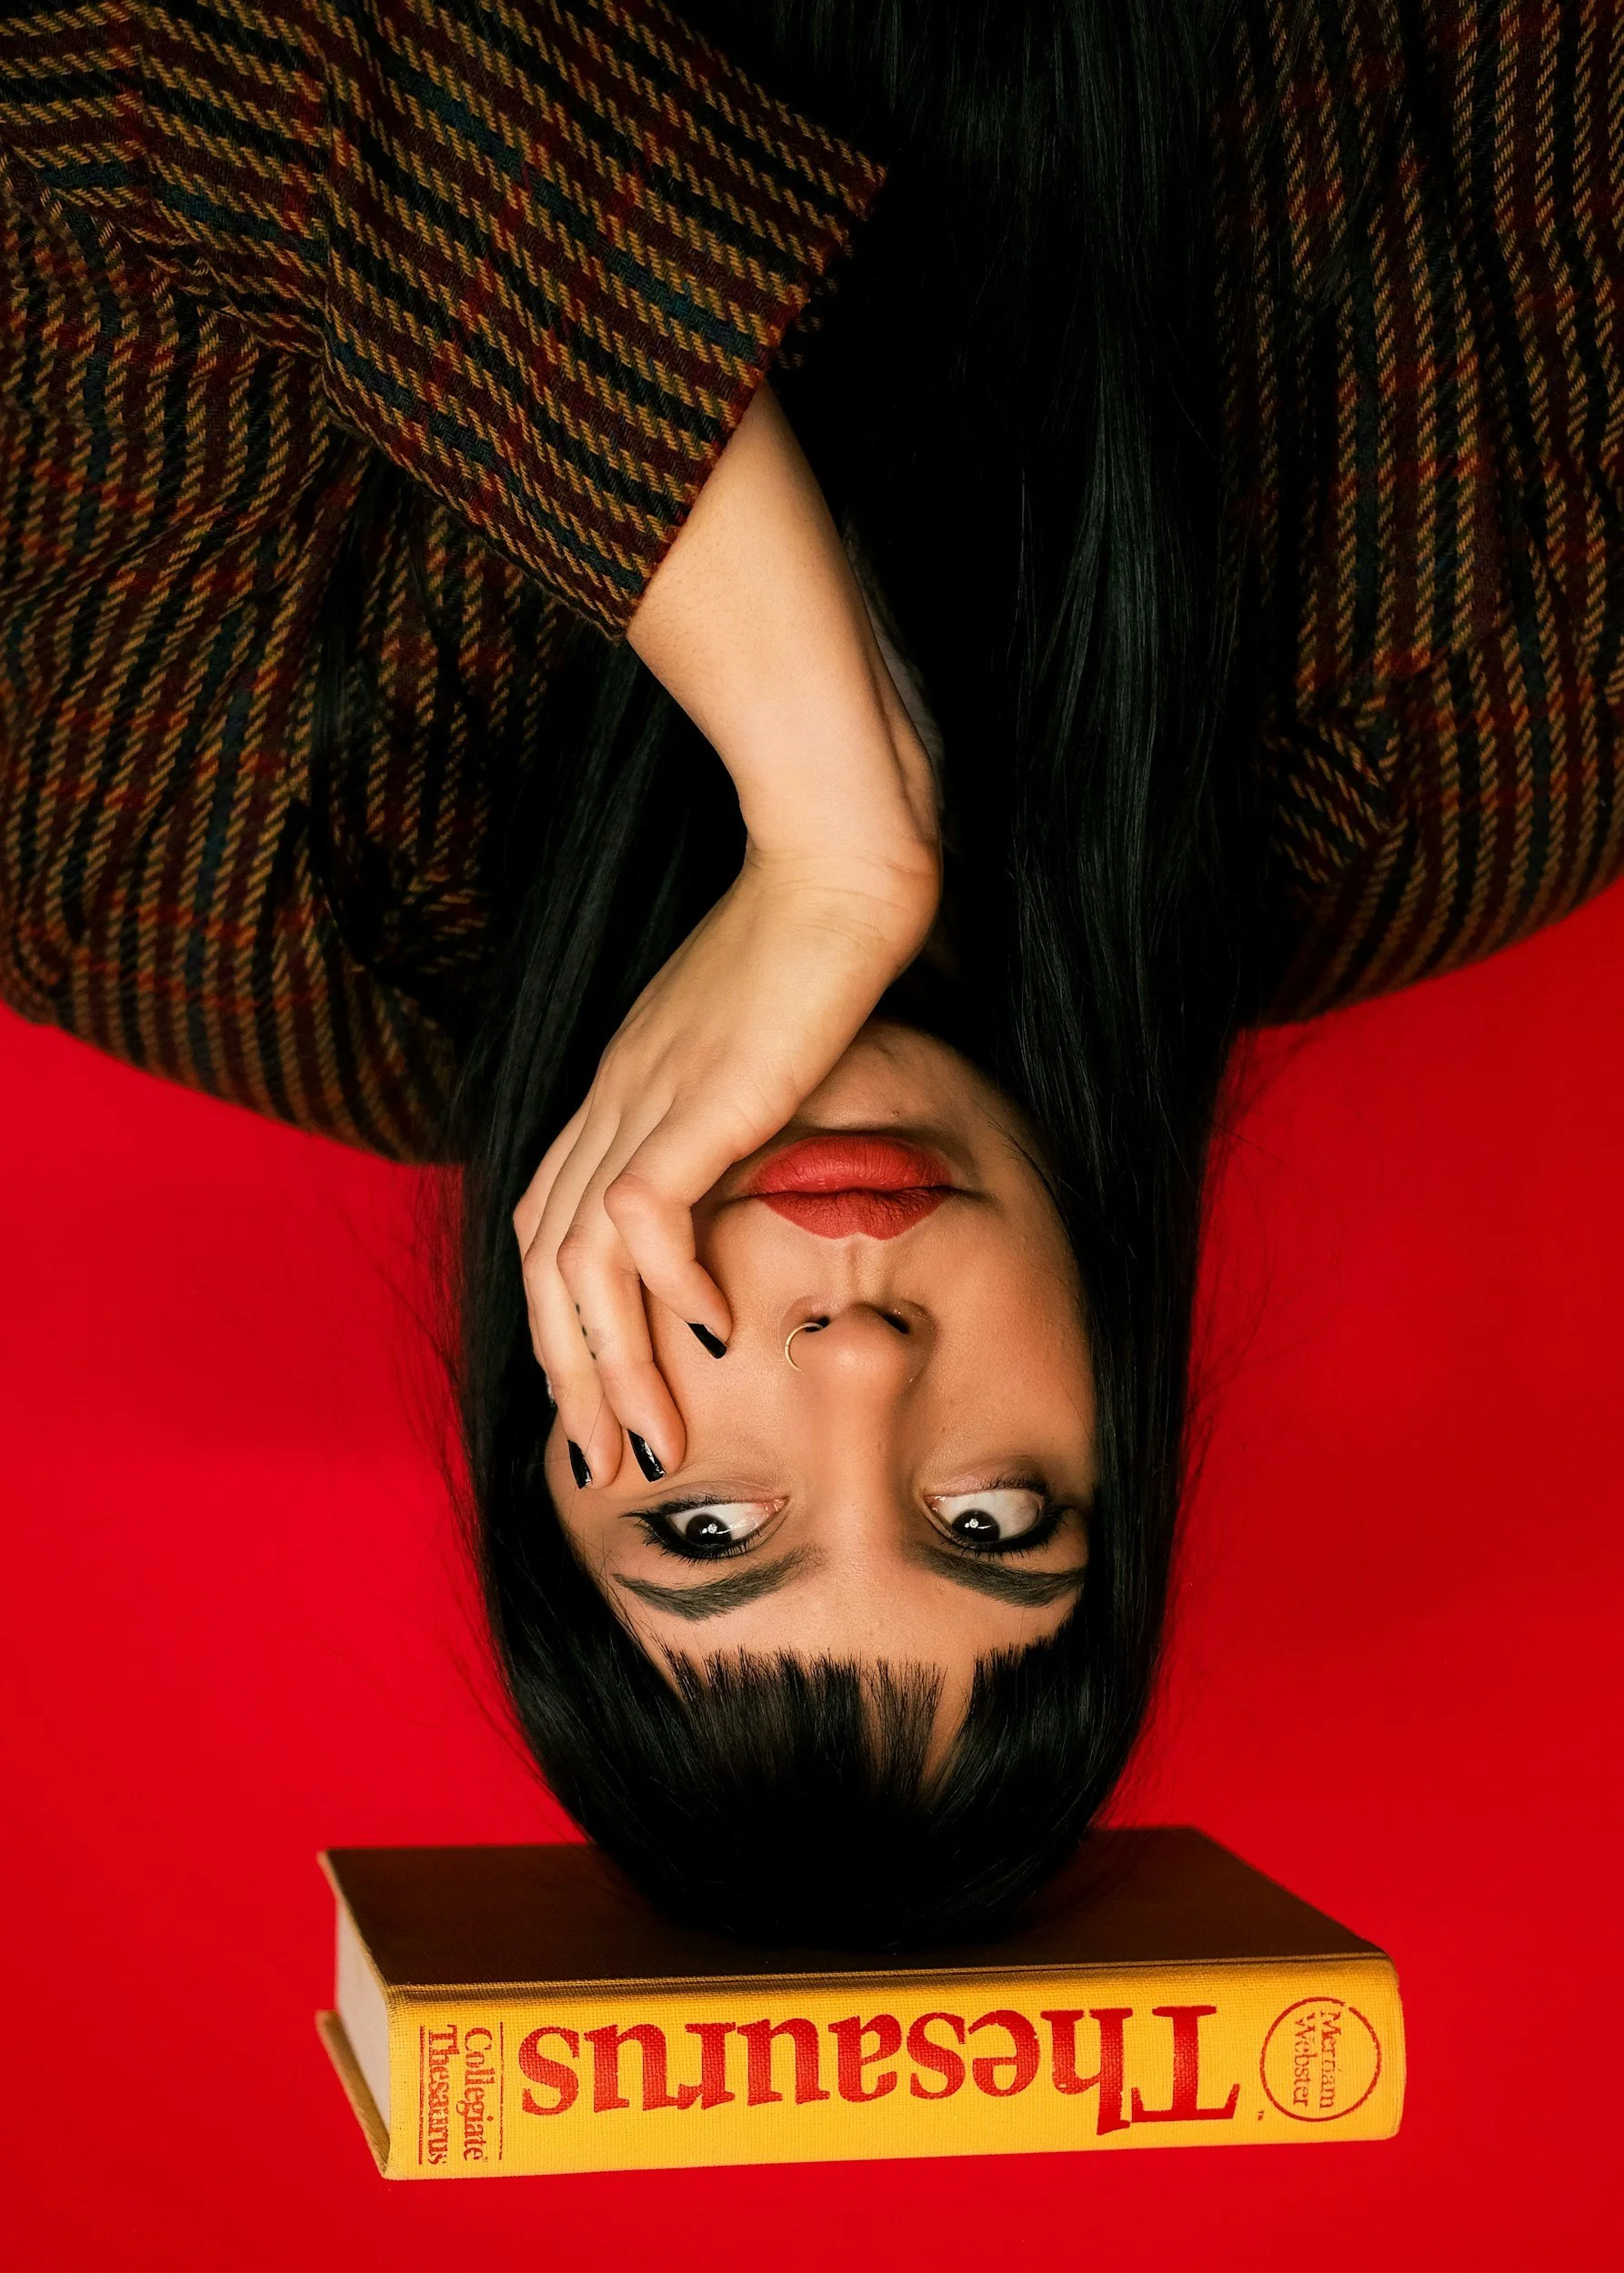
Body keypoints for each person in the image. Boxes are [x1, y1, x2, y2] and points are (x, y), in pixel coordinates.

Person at [4, 0, 1621, 1947]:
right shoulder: (1495, 739)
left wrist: (829, 800)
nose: (862, 1376)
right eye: (993, 1520)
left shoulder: (169, 863)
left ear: (542, 1451)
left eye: (703, 1526)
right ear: (1125, 1429)